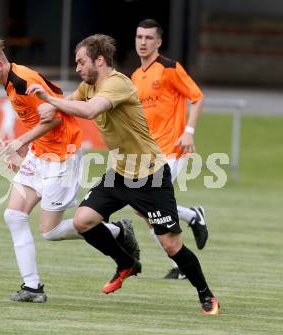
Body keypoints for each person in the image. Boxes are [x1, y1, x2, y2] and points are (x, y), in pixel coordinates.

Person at [27, 34, 220, 314]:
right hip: (118, 174)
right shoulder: (87, 87)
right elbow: (68, 106)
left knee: (171, 246)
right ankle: (127, 263)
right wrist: (37, 121)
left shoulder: (117, 83)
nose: (78, 68)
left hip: (151, 176)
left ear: (100, 60)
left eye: (81, 62)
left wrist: (50, 100)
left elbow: (90, 111)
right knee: (83, 221)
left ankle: (206, 294)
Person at [0, 37, 140, 303]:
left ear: (0, 65)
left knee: (49, 232)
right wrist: (26, 148)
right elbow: (39, 118)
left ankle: (118, 230)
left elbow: (57, 117)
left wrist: (20, 142)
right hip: (40, 155)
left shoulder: (23, 81)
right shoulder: (9, 82)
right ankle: (32, 287)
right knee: (14, 216)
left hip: (62, 156)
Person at [131, 18, 208, 280]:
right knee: (143, 209)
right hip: (147, 153)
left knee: (151, 205)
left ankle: (181, 264)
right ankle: (192, 216)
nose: (143, 42)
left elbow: (197, 98)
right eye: (140, 37)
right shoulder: (135, 76)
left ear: (158, 42)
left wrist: (189, 132)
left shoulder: (169, 68)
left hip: (171, 150)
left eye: (149, 38)